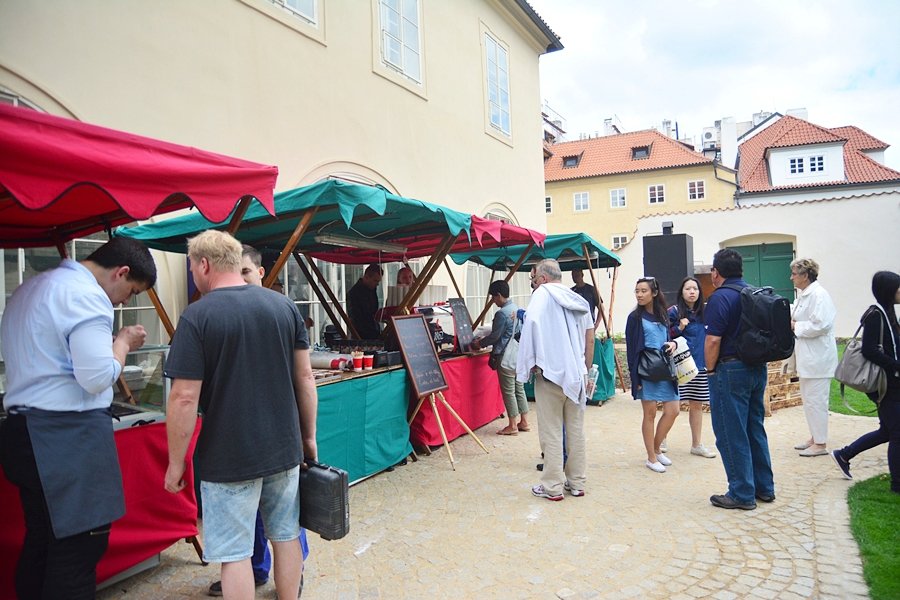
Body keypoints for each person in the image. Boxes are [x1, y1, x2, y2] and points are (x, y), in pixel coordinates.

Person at [163, 231, 317, 600]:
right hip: (283, 448)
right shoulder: (283, 307)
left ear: (204, 265)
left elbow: (184, 398)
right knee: (285, 535)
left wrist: (175, 463)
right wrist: (308, 438)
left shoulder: (197, 316)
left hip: (228, 456)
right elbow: (306, 378)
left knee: (234, 553)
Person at [0, 238, 156, 599]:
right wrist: (122, 342)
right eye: (131, 291)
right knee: (78, 549)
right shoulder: (86, 296)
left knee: (41, 540)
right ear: (121, 272)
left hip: (24, 429)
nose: (125, 301)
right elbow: (97, 376)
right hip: (65, 438)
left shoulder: (32, 286)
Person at [205, 245, 310, 597]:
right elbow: (304, 376)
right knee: (281, 527)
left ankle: (287, 577)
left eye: (249, 273)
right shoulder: (281, 309)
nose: (243, 281)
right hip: (270, 441)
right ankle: (268, 577)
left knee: (273, 531)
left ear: (260, 272)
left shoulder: (276, 308)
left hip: (261, 440)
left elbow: (303, 377)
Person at [517, 259, 594, 500]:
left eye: (533, 278)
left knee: (551, 432)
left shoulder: (542, 295)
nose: (533, 283)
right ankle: (577, 482)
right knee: (575, 430)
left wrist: (528, 365)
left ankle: (552, 486)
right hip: (577, 374)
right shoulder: (577, 300)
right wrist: (586, 368)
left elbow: (531, 325)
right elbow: (589, 336)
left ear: (542, 278)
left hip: (550, 374)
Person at [704, 249, 775, 510]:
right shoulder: (755, 293)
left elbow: (713, 340)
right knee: (754, 428)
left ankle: (742, 493)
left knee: (730, 432)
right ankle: (764, 488)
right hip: (757, 369)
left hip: (730, 370)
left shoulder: (720, 298)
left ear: (716, 272)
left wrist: (710, 371)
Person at [831, 271, 900, 494]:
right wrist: (895, 366)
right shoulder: (875, 315)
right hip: (886, 383)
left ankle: (844, 454)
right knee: (896, 432)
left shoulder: (888, 313)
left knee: (887, 431)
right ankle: (896, 485)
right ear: (889, 290)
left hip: (892, 380)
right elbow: (870, 350)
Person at [625, 276, 680, 473]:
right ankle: (650, 457)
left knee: (673, 410)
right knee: (649, 414)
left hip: (665, 367)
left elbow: (670, 337)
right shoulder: (634, 318)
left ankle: (657, 449)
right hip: (645, 369)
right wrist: (635, 378)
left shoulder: (663, 315)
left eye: (644, 291)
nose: (639, 294)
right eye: (637, 291)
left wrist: (673, 343)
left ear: (654, 293)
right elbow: (631, 350)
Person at [789, 259, 838, 457]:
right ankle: (814, 436)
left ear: (805, 275)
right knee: (809, 399)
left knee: (817, 400)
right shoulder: (804, 295)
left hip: (818, 358)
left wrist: (795, 326)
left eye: (794, 273)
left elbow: (821, 325)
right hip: (808, 357)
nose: (791, 277)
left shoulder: (819, 295)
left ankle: (821, 443)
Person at [667, 276, 716, 459]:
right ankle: (662, 439)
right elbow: (665, 335)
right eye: (688, 289)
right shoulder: (673, 312)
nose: (692, 292)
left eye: (695, 289)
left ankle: (697, 444)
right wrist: (679, 327)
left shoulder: (706, 312)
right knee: (673, 405)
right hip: (680, 366)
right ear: (682, 292)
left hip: (700, 366)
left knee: (697, 404)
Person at [473, 280, 530, 435]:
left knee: (508, 391)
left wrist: (480, 343)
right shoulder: (516, 308)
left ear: (498, 295)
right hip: (517, 353)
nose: (493, 300)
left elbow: (495, 336)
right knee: (519, 388)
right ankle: (524, 421)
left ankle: (512, 425)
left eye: (493, 297)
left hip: (505, 355)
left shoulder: (501, 313)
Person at [347, 263, 383, 339]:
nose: (377, 284)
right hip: (362, 335)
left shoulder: (371, 289)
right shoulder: (354, 293)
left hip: (372, 331)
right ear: (366, 277)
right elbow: (356, 319)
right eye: (375, 281)